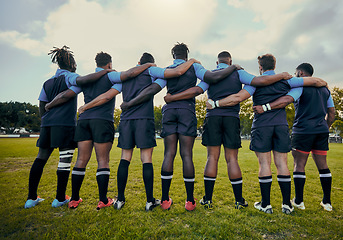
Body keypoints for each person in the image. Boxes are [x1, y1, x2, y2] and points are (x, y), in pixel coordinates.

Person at [164, 51, 293, 210]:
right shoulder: (238, 72)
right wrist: (281, 76)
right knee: (232, 159)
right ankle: (239, 200)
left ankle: (208, 200)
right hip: (232, 118)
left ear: (217, 63)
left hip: (212, 118)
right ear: (230, 62)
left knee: (212, 157)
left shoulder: (209, 75)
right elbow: (258, 80)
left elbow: (198, 90)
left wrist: (173, 97)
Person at [121, 43, 242, 211]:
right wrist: (233, 66)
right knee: (186, 155)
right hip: (186, 112)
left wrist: (129, 103)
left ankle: (164, 200)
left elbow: (152, 90)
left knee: (169, 154)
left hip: (169, 112)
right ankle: (190, 201)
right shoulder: (195, 66)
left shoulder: (167, 69)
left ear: (174, 56)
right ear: (187, 55)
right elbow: (210, 79)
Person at [76, 52, 201, 211]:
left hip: (126, 121)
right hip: (144, 119)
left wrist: (86, 106)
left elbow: (108, 95)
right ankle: (150, 201)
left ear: (138, 62)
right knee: (146, 158)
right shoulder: (151, 71)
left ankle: (120, 200)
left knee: (125, 157)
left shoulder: (125, 76)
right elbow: (171, 76)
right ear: (151, 63)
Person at [209, 54, 328, 214]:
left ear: (260, 67)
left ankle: (266, 204)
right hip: (280, 126)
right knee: (282, 164)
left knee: (264, 164)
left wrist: (216, 103)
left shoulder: (254, 83)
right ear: (275, 65)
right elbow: (315, 81)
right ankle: (287, 204)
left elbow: (237, 98)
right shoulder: (288, 80)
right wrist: (324, 83)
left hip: (262, 126)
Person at [46, 52, 156, 210]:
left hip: (83, 122)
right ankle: (103, 200)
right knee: (102, 161)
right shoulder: (112, 76)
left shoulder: (86, 79)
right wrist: (148, 65)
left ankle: (74, 199)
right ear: (109, 64)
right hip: (102, 121)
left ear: (96, 64)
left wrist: (49, 105)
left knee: (81, 160)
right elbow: (119, 84)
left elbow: (65, 95)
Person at [24, 46, 113, 209]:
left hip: (47, 125)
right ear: (71, 63)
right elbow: (82, 82)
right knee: (64, 161)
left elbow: (41, 105)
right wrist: (105, 71)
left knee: (40, 158)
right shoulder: (71, 77)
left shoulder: (48, 82)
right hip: (65, 125)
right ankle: (59, 199)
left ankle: (31, 198)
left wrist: (45, 119)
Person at [252, 63, 335, 211]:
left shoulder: (300, 87)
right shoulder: (325, 90)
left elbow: (287, 100)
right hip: (321, 130)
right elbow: (332, 112)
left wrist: (265, 107)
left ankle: (299, 201)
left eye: (296, 73)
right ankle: (327, 202)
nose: (294, 75)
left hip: (303, 130)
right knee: (323, 166)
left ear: (301, 73)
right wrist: (325, 127)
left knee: (299, 165)